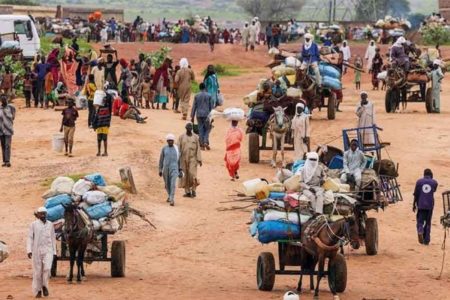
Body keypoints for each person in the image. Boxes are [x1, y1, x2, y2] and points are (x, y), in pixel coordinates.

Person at [26, 207, 56, 298]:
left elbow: (53, 238)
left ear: (46, 214)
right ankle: (38, 290)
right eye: (41, 213)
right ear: (38, 215)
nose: (43, 215)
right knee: (37, 272)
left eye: (44, 213)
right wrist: (29, 250)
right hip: (36, 251)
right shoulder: (33, 225)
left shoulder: (50, 224)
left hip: (48, 250)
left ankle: (44, 286)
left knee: (47, 269)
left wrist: (54, 252)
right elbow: (30, 237)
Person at [413, 169, 438, 245]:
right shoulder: (434, 182)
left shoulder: (419, 182)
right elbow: (433, 190)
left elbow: (416, 194)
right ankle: (426, 240)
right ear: (431, 175)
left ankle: (420, 230)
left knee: (420, 221)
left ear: (424, 175)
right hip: (430, 205)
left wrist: (413, 204)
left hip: (421, 204)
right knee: (428, 223)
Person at [178, 122, 202, 198]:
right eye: (188, 127)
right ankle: (187, 192)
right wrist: (177, 159)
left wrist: (199, 159)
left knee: (192, 175)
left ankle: (194, 189)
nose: (189, 128)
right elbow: (178, 149)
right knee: (185, 176)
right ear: (186, 128)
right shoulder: (181, 137)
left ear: (192, 128)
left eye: (191, 127)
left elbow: (198, 149)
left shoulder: (195, 137)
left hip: (193, 158)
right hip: (183, 158)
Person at [159, 134, 182, 206]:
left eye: (171, 141)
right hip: (165, 169)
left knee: (172, 184)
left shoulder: (176, 149)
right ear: (167, 141)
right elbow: (161, 159)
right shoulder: (164, 148)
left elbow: (179, 160)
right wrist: (160, 169)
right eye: (169, 141)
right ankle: (169, 195)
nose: (170, 142)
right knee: (167, 184)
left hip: (174, 168)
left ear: (173, 141)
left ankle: (172, 199)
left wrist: (180, 169)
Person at [191, 83, 213, 150]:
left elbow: (194, 106)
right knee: (207, 129)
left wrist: (192, 116)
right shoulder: (209, 95)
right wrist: (212, 116)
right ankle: (206, 141)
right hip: (207, 115)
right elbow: (211, 107)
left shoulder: (196, 96)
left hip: (199, 114)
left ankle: (202, 145)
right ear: (205, 87)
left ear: (199, 88)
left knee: (200, 129)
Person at [93, 92, 112, 156]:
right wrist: (94, 125)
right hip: (99, 125)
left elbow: (109, 100)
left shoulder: (108, 108)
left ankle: (105, 152)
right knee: (99, 139)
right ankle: (99, 151)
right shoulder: (99, 109)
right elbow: (96, 117)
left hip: (105, 125)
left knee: (104, 139)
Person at [0, 94, 15, 167]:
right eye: (2, 99)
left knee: (7, 145)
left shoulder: (11, 107)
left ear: (7, 99)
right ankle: (4, 161)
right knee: (3, 146)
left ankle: (7, 161)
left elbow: (13, 117)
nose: (3, 100)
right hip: (1, 130)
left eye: (4, 99)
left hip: (8, 130)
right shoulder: (0, 108)